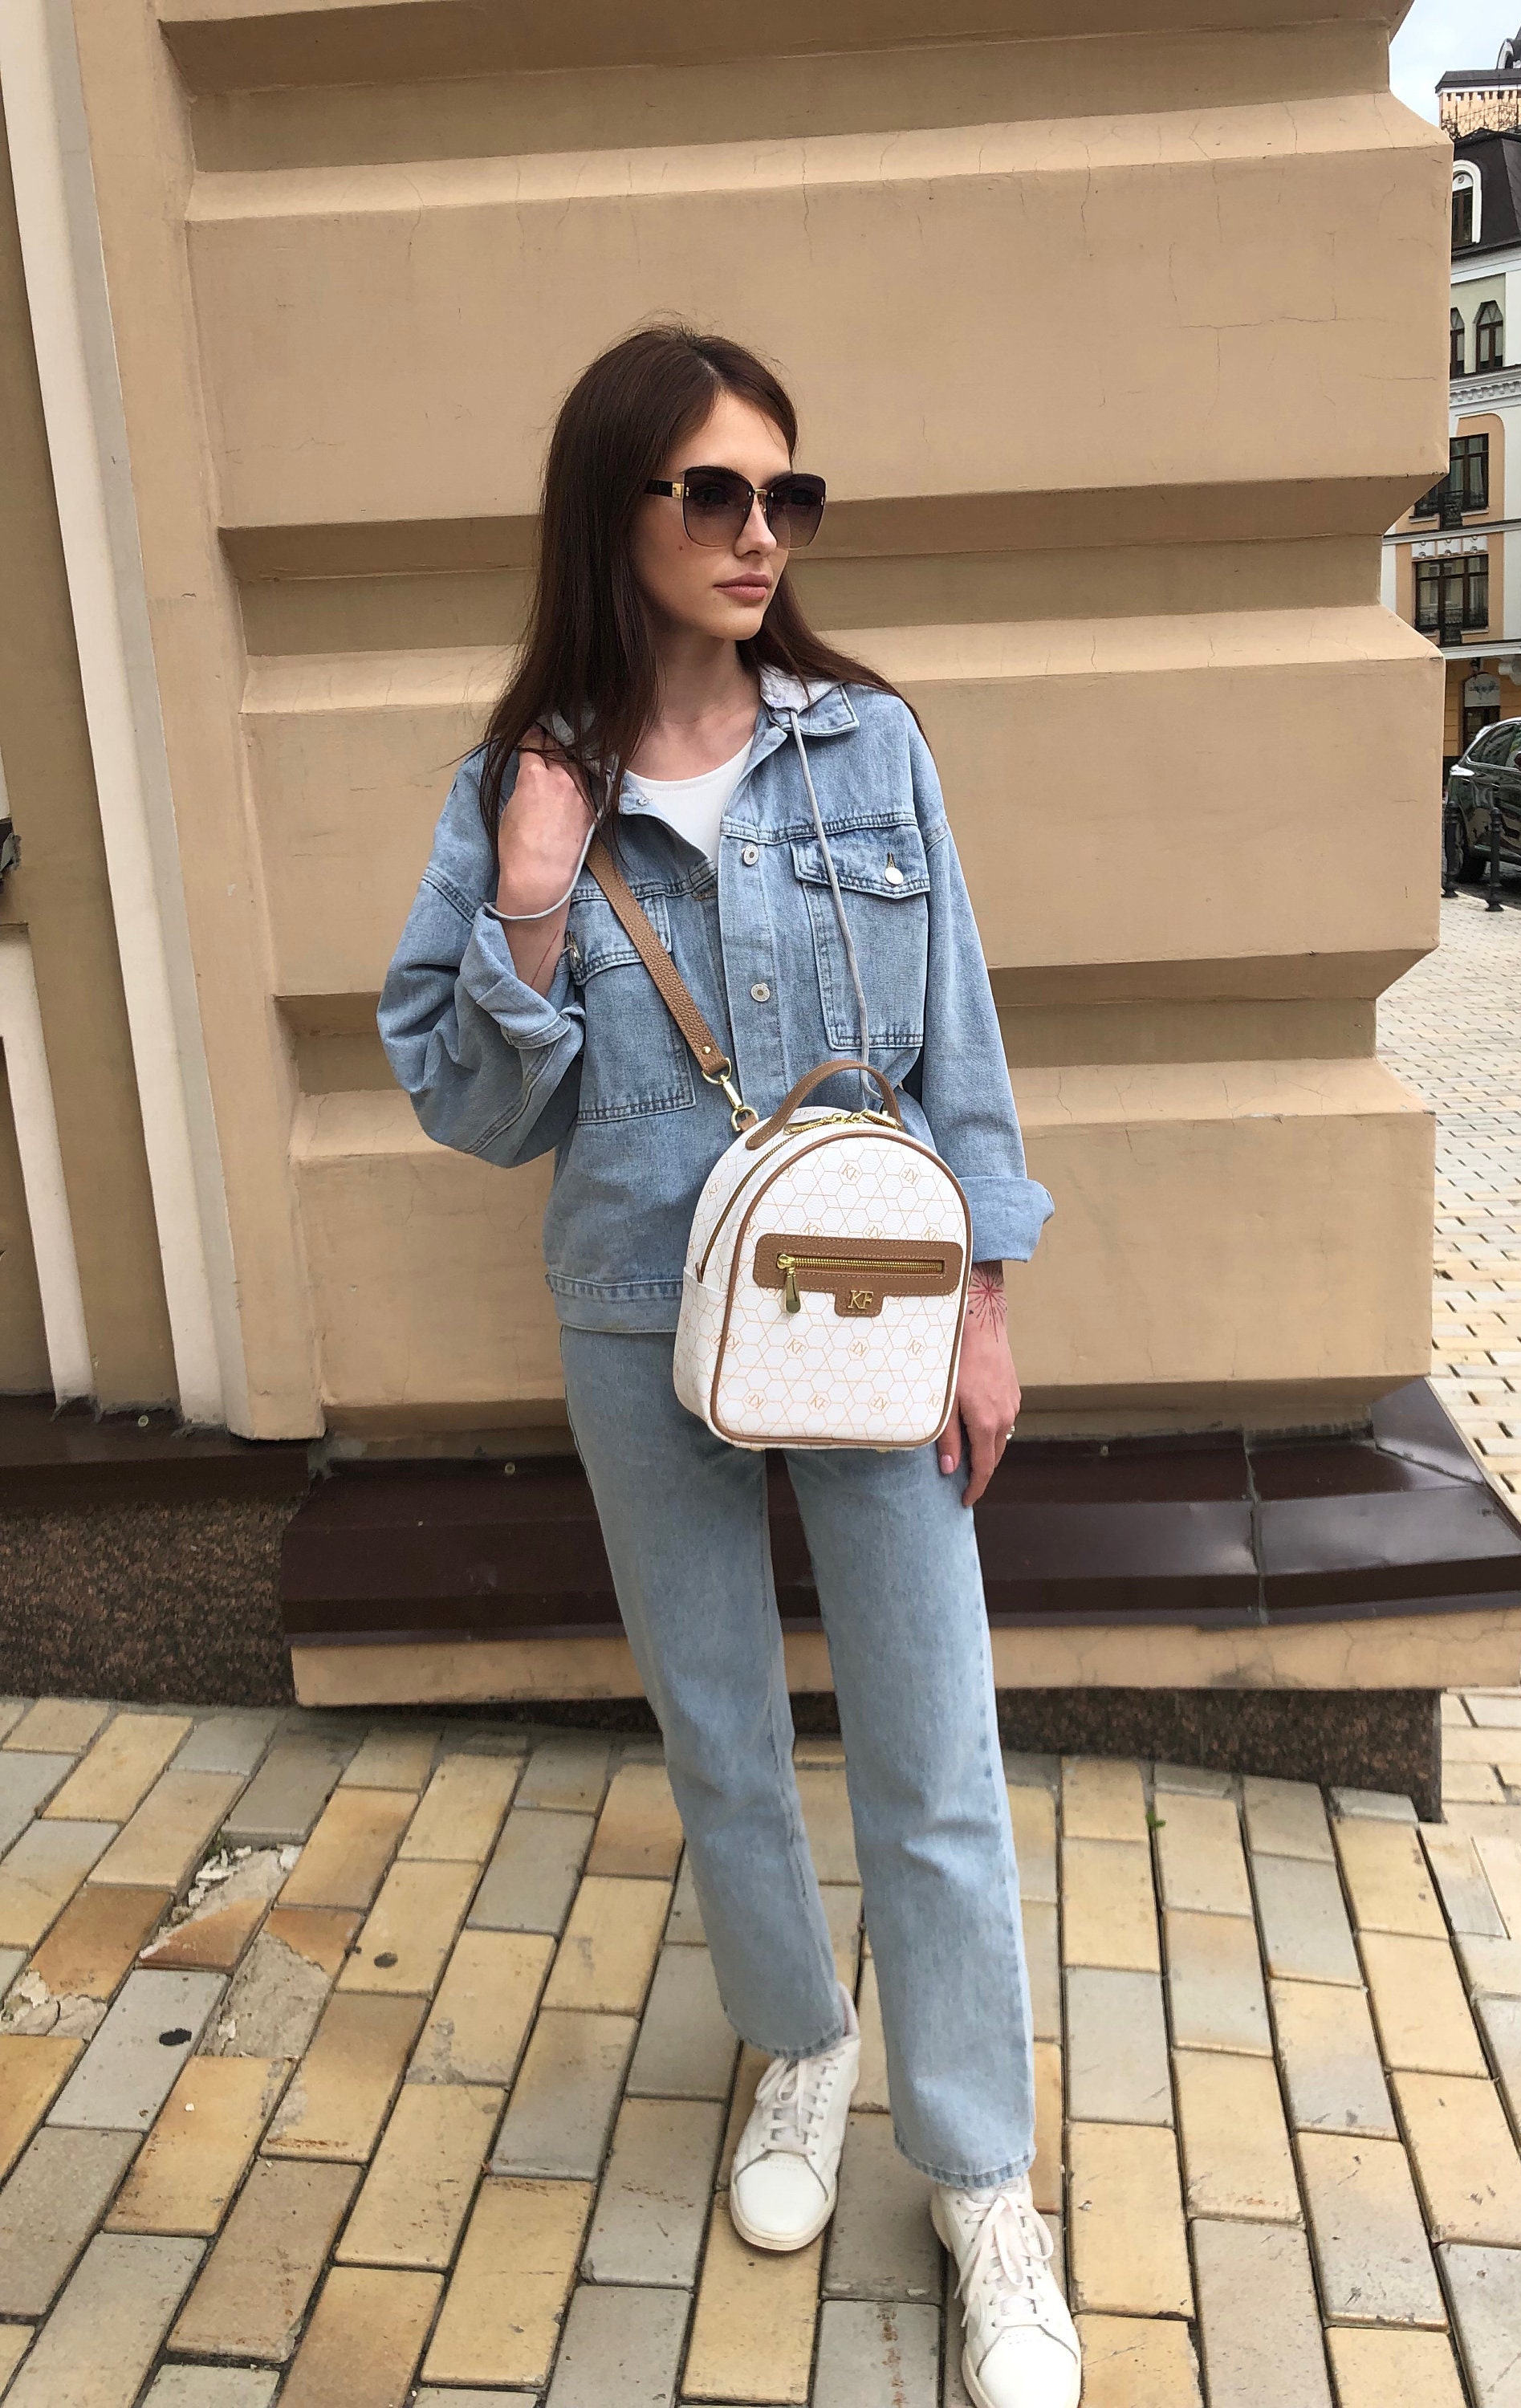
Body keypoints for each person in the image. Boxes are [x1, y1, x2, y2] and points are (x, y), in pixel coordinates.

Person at [380, 323, 1079, 2408]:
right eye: (714, 491)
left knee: (934, 1757)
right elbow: (471, 1110)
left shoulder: (869, 748)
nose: (759, 531)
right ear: (617, 513)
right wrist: (526, 909)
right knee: (718, 1734)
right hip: (636, 1317)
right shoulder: (520, 788)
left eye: (787, 495)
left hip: (873, 1302)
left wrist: (983, 1305)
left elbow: (960, 1040)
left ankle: (981, 2181)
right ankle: (796, 2043)